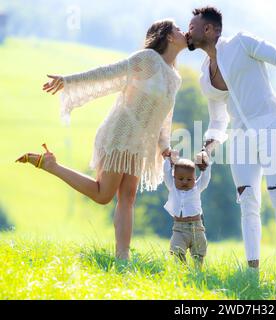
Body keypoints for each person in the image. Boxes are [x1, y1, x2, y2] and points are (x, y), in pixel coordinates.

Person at [15, 19, 187, 260]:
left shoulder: (174, 78)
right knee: (103, 195)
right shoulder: (147, 59)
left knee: (128, 198)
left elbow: (164, 117)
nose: (184, 31)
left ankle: (122, 259)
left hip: (139, 145)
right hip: (120, 133)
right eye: (178, 29)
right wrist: (69, 81)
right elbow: (108, 73)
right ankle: (51, 165)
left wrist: (165, 147)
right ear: (168, 36)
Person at [186, 6, 276, 288]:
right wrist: (206, 148)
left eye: (192, 26)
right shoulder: (204, 76)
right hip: (239, 136)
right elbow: (217, 120)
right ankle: (251, 274)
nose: (187, 32)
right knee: (248, 201)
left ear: (209, 30)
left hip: (270, 123)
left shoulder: (241, 43)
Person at [162, 151, 211, 267]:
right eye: (181, 178)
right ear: (174, 178)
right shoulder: (172, 187)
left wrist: (205, 164)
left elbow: (206, 177)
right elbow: (166, 173)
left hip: (197, 227)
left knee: (199, 253)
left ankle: (197, 272)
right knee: (177, 251)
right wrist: (169, 159)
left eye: (189, 179)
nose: (185, 182)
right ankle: (183, 270)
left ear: (195, 178)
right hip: (179, 229)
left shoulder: (197, 188)